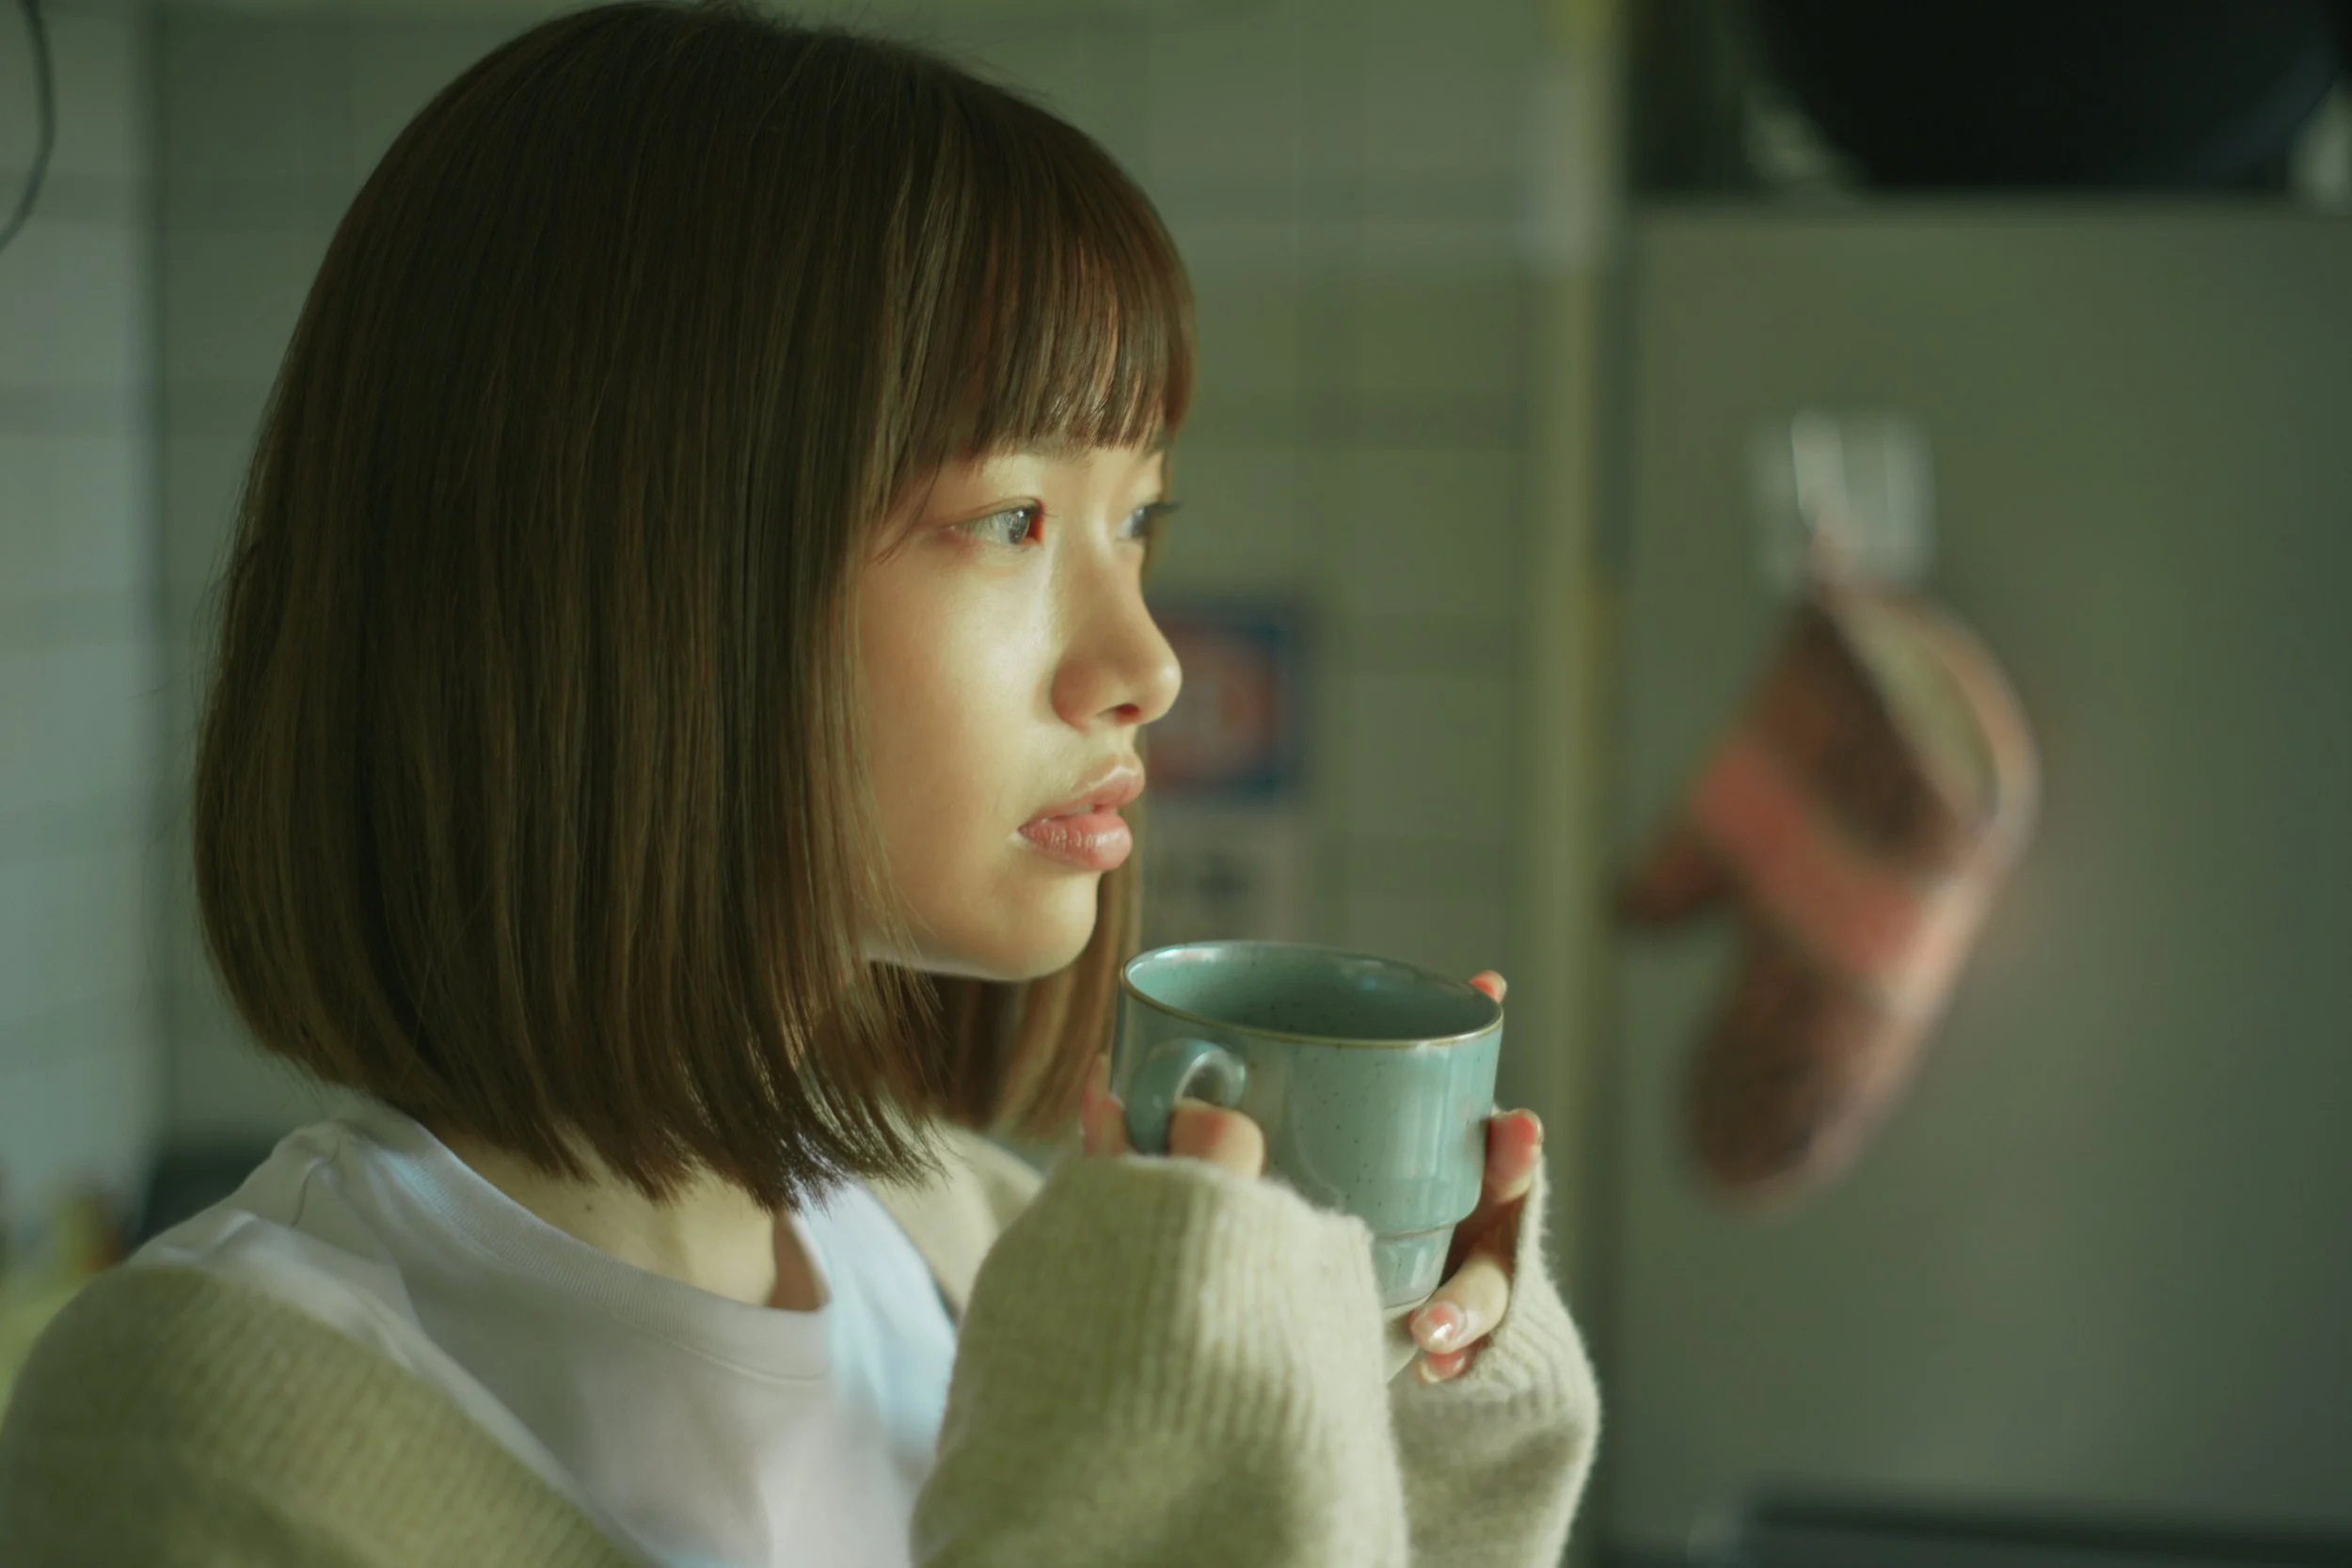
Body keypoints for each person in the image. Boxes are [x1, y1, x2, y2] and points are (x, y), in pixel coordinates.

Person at [0, 3, 1599, 1563]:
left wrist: (1394, 1399)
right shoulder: (207, 1444)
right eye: (1013, 519)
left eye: (1137, 521)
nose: (1149, 665)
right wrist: (1151, 1449)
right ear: (636, 574)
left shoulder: (963, 1239)